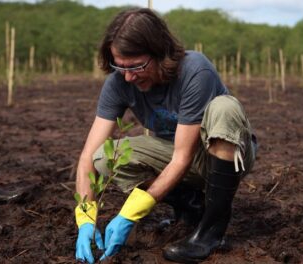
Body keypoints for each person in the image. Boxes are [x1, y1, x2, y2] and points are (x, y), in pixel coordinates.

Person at [74, 8, 257, 264]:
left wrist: (130, 213)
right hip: (175, 156)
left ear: (160, 52)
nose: (128, 76)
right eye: (120, 66)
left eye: (137, 66)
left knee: (225, 107)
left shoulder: (195, 70)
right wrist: (85, 218)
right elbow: (86, 158)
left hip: (220, 154)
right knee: (103, 158)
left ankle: (211, 231)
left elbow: (183, 157)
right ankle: (191, 206)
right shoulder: (119, 83)